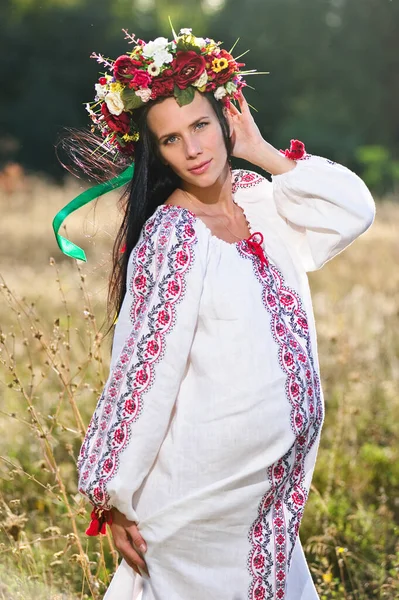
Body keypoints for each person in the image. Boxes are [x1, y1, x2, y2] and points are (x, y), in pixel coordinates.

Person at [53, 25, 376, 600]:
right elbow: (143, 375)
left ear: (227, 117)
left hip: (268, 507)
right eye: (172, 139)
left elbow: (352, 211)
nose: (194, 149)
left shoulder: (261, 201)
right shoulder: (174, 237)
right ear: (156, 152)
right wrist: (113, 495)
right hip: (198, 511)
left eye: (201, 125)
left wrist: (260, 151)